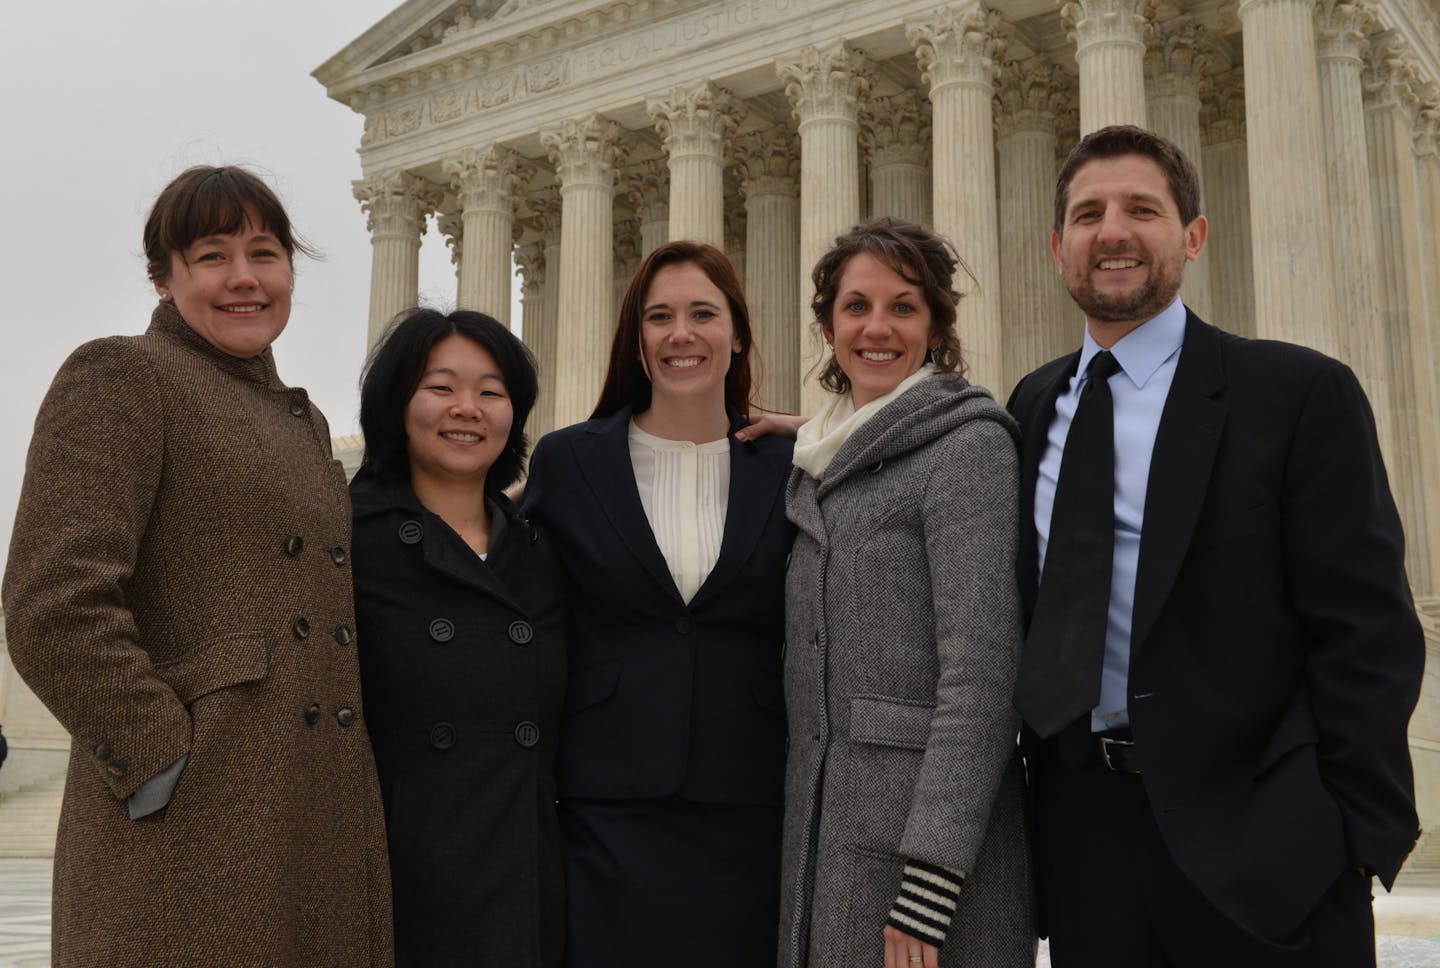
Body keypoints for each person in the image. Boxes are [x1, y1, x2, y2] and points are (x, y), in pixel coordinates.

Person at [1009, 125, 1425, 967]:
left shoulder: (1297, 393)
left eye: (1141, 210)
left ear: (1192, 236)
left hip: (1265, 845)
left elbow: (1369, 631)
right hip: (1087, 840)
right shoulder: (1030, 407)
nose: (1113, 232)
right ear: (1059, 248)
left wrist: (1340, 829)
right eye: (1088, 214)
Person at [2, 166, 392, 965]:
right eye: (212, 256)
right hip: (191, 832)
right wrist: (161, 759)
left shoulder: (307, 423)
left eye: (265, 253)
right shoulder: (122, 373)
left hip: (309, 814)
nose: (244, 278)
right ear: (163, 277)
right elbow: (53, 601)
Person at [523, 241, 793, 967]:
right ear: (636, 340)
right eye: (660, 317)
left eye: (704, 314)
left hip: (750, 799)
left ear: (736, 335)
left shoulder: (793, 466)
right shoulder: (568, 460)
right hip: (609, 806)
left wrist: (835, 432)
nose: (682, 334)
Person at [779, 217, 1034, 968]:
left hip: (924, 876)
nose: (877, 327)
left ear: (936, 324)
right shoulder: (819, 455)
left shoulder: (969, 447)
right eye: (856, 307)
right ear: (829, 325)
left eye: (903, 306)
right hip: (825, 850)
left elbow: (983, 677)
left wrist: (930, 885)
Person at [350, 308, 567, 966]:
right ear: (397, 403)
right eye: (440, 388)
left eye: (491, 392)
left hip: (527, 888)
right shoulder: (347, 543)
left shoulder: (544, 553)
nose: (466, 409)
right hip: (398, 892)